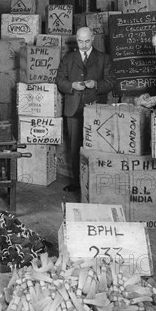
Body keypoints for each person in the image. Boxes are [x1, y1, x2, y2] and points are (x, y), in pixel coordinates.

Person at [56, 26, 116, 192]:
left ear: (93, 38)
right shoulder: (68, 58)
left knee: (96, 147)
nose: (83, 45)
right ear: (77, 40)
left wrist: (96, 84)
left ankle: (96, 183)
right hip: (73, 110)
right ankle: (77, 183)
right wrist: (71, 85)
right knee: (75, 148)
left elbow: (111, 82)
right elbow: (60, 80)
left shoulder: (104, 58)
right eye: (80, 41)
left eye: (87, 41)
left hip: (96, 110)